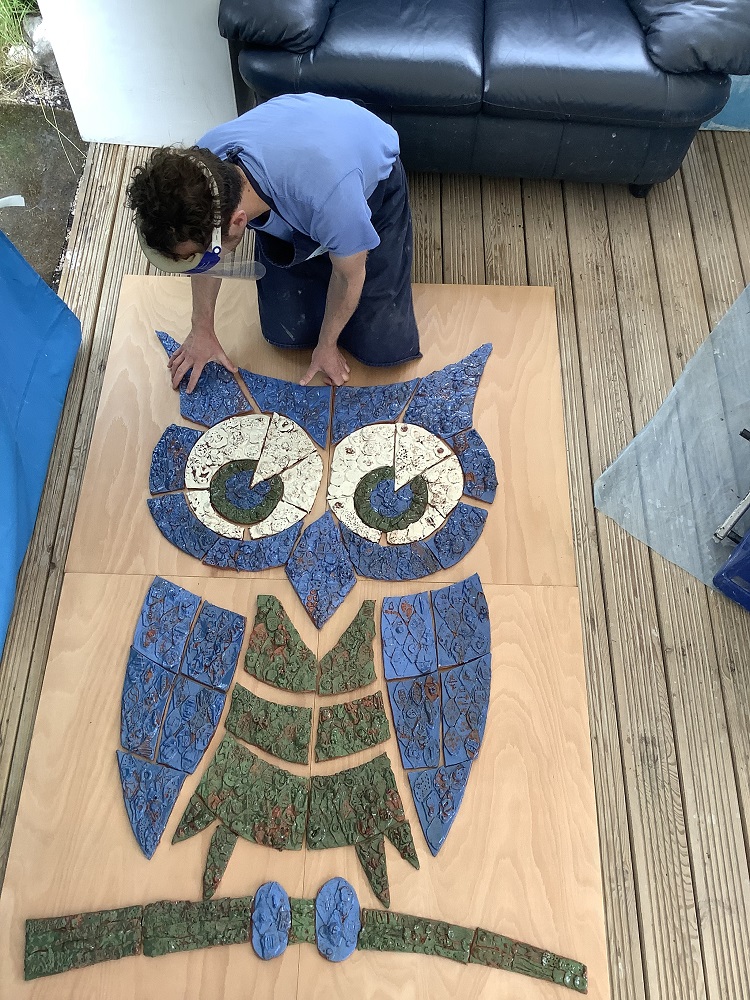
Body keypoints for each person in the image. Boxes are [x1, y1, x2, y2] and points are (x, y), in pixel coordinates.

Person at [127, 93, 421, 390]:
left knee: (381, 345)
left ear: (239, 222)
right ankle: (322, 247)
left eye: (201, 257)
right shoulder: (203, 167)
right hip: (303, 164)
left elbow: (349, 278)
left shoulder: (333, 200)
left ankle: (338, 248)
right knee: (286, 336)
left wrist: (327, 345)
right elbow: (202, 246)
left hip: (366, 178)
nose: (199, 266)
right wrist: (201, 328)